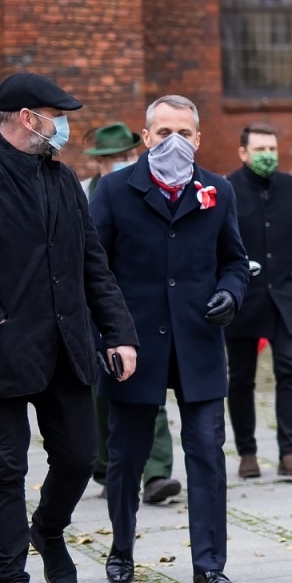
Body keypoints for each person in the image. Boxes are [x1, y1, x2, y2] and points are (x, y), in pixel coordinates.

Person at [0, 74, 139, 583]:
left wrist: (118, 332)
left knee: (79, 457)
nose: (65, 125)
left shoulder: (61, 180)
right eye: (58, 114)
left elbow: (93, 265)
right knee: (2, 472)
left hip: (65, 347)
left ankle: (48, 529)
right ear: (29, 117)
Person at [91, 95, 249, 583]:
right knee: (128, 457)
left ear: (198, 139)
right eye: (164, 133)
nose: (174, 142)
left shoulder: (218, 190)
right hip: (136, 348)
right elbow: (95, 269)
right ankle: (121, 548)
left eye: (184, 133)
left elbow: (234, 260)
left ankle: (209, 564)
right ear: (146, 137)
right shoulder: (115, 191)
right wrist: (112, 336)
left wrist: (230, 292)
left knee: (207, 453)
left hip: (199, 344)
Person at [82, 122, 179, 504]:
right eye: (109, 160)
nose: (118, 164)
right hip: (95, 304)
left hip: (141, 305)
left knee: (148, 389)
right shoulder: (83, 194)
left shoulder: (149, 189)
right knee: (101, 392)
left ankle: (156, 474)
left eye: (124, 156)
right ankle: (107, 467)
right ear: (98, 163)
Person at [224, 124, 292, 480]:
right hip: (245, 300)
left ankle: (290, 453)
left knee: (291, 372)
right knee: (241, 379)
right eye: (259, 148)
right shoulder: (227, 189)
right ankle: (247, 452)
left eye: (272, 148)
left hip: (287, 300)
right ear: (243, 152)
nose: (267, 155)